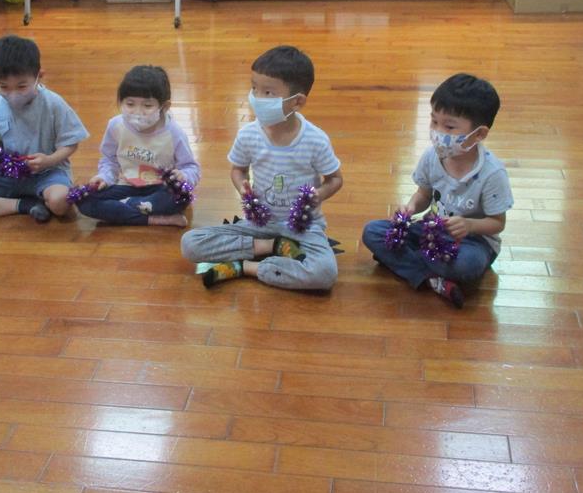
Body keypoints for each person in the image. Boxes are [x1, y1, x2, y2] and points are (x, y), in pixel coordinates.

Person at [180, 45, 342, 290]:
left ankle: (246, 267)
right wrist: (242, 187)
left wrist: (318, 195)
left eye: (268, 92)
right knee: (190, 243)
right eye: (254, 88)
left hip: (304, 227)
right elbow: (237, 169)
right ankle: (272, 248)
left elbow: (335, 179)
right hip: (259, 225)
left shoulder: (315, 140)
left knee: (325, 274)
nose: (256, 97)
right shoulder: (248, 134)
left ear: (297, 102)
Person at [361, 73, 513, 308]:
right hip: (430, 231)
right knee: (372, 232)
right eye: (434, 121)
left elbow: (497, 223)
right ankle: (433, 279)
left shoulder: (492, 173)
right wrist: (411, 207)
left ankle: (411, 264)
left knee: (466, 265)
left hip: (473, 242)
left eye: (449, 126)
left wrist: (469, 225)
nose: (438, 132)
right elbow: (423, 195)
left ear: (479, 134)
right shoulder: (432, 156)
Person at [0, 35, 88, 222]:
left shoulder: (53, 104)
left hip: (48, 173)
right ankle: (25, 205)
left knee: (61, 202)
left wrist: (49, 160)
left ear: (39, 75)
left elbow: (71, 142)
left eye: (21, 86)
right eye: (3, 86)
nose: (13, 94)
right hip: (6, 175)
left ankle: (40, 201)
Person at [77, 65, 200, 227]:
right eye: (130, 104)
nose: (137, 112)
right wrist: (104, 177)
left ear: (164, 107)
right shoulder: (116, 126)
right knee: (84, 200)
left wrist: (184, 176)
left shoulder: (174, 133)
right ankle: (152, 217)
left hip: (160, 188)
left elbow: (191, 167)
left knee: (179, 198)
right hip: (126, 185)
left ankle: (125, 208)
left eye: (147, 106)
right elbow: (109, 159)